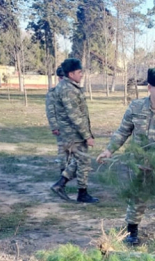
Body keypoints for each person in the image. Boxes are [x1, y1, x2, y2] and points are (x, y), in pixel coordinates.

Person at [96, 67, 155, 245]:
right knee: (137, 198)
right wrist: (109, 150)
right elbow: (123, 131)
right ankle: (132, 233)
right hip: (139, 164)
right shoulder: (135, 107)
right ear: (149, 88)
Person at [50, 58, 98, 203]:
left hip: (73, 133)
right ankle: (81, 193)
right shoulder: (67, 90)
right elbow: (75, 116)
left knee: (78, 161)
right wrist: (87, 136)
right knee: (83, 162)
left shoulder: (69, 87)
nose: (81, 74)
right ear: (71, 74)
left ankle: (61, 184)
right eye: (79, 72)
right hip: (74, 134)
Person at [45, 66, 67, 174]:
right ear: (59, 78)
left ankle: (72, 171)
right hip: (61, 126)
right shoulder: (52, 93)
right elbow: (50, 111)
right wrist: (54, 126)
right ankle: (63, 171)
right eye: (61, 77)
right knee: (62, 149)